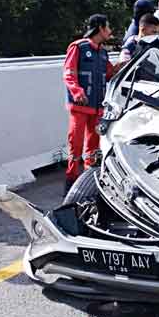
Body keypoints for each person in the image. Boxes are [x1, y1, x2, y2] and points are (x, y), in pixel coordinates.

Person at [62, 14, 122, 193]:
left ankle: (89, 181)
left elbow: (109, 74)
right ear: (100, 28)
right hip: (80, 106)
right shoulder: (78, 47)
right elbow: (69, 73)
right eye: (108, 27)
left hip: (97, 107)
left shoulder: (103, 53)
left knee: (93, 146)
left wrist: (123, 65)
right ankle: (70, 179)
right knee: (76, 143)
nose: (110, 31)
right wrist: (77, 91)